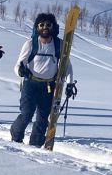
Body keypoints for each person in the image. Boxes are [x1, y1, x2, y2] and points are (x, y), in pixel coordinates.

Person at [10, 12, 76, 146]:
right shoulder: (30, 44)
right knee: (26, 114)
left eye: (48, 25)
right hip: (31, 84)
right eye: (42, 25)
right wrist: (20, 71)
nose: (45, 27)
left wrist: (69, 84)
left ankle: (36, 144)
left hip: (49, 86)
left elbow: (67, 66)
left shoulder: (59, 44)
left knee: (43, 119)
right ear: (37, 28)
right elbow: (18, 65)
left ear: (53, 27)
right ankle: (16, 138)